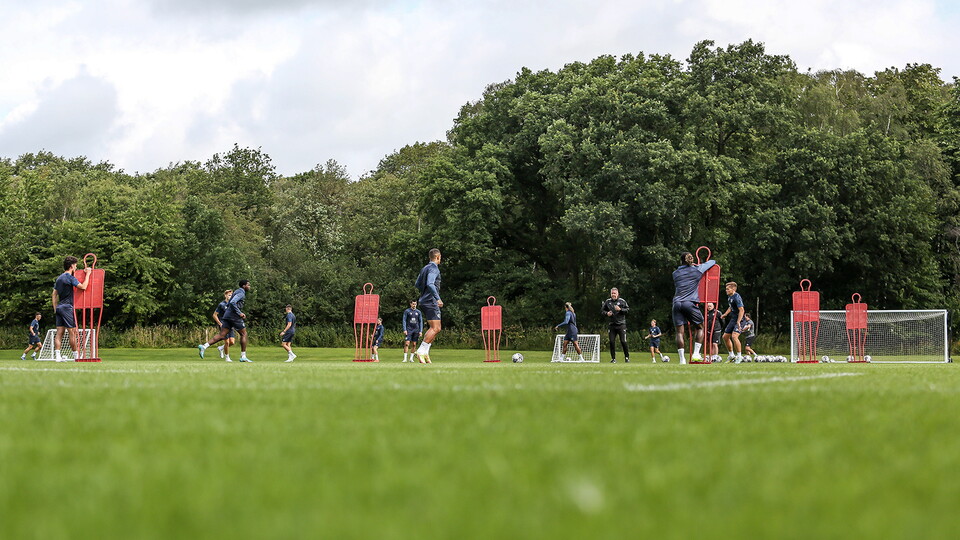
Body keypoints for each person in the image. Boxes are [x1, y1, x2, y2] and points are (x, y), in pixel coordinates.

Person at [671, 251, 717, 364]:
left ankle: (682, 360)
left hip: (676, 303)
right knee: (700, 327)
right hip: (689, 302)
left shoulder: (675, 273)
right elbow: (712, 262)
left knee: (679, 332)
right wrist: (697, 265)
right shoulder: (697, 270)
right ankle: (696, 354)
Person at [198, 280, 252, 362]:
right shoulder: (241, 293)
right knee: (244, 334)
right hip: (234, 316)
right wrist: (239, 313)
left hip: (227, 316)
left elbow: (229, 303)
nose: (249, 286)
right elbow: (233, 302)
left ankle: (204, 346)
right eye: (248, 285)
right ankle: (243, 356)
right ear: (244, 286)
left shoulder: (236, 292)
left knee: (222, 335)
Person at [52, 256, 93, 362]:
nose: (76, 267)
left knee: (59, 333)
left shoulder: (59, 278)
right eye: (75, 265)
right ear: (71, 266)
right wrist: (88, 274)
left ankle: (57, 357)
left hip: (60, 307)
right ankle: (76, 356)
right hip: (67, 307)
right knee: (72, 332)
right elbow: (83, 287)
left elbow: (54, 294)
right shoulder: (69, 277)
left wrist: (55, 308)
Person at [413, 249, 443, 364]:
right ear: (438, 257)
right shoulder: (434, 268)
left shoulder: (425, 268)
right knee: (436, 328)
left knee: (434, 328)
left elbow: (417, 284)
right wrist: (437, 298)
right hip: (431, 301)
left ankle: (425, 352)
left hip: (424, 300)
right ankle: (420, 351)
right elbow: (430, 283)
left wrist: (424, 293)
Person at [600, 287, 630, 363]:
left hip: (621, 324)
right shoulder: (608, 302)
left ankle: (627, 357)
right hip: (612, 325)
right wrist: (607, 313)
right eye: (612, 293)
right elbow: (602, 311)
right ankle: (613, 359)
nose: (613, 295)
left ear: (618, 294)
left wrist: (620, 310)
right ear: (610, 294)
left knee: (623, 341)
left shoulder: (622, 301)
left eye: (614, 293)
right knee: (612, 342)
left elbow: (627, 310)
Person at [721, 282, 745, 363]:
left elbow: (741, 310)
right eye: (726, 289)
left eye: (728, 289)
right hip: (733, 319)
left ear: (733, 289)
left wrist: (738, 322)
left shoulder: (737, 297)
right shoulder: (730, 297)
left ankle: (739, 356)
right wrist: (725, 314)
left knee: (734, 336)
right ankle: (731, 356)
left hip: (740, 320)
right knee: (725, 337)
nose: (726, 290)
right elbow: (731, 307)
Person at [212, 289, 235, 359]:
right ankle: (227, 357)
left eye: (231, 295)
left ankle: (221, 348)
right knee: (227, 342)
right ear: (225, 295)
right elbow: (214, 315)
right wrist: (220, 323)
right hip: (224, 325)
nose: (230, 296)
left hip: (230, 325)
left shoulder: (233, 304)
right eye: (229, 295)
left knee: (232, 342)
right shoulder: (221, 304)